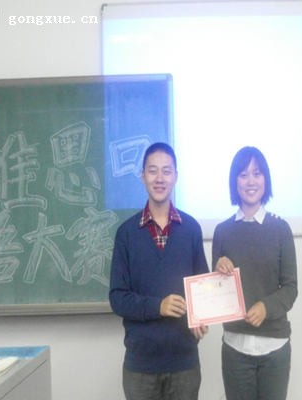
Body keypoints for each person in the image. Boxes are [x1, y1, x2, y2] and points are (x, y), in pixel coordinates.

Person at [109, 142, 209, 400]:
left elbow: (203, 290)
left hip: (184, 362)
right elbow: (117, 298)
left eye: (167, 171)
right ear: (142, 176)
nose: (160, 178)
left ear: (176, 176)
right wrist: (158, 306)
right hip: (141, 365)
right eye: (153, 171)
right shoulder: (126, 233)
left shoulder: (191, 229)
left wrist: (202, 316)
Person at [212, 146, 298, 400]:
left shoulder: (281, 229)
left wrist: (265, 307)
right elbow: (215, 293)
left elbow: (290, 288)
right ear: (234, 181)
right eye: (243, 174)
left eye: (257, 173)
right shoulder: (222, 232)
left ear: (265, 179)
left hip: (275, 347)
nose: (251, 181)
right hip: (235, 347)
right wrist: (218, 269)